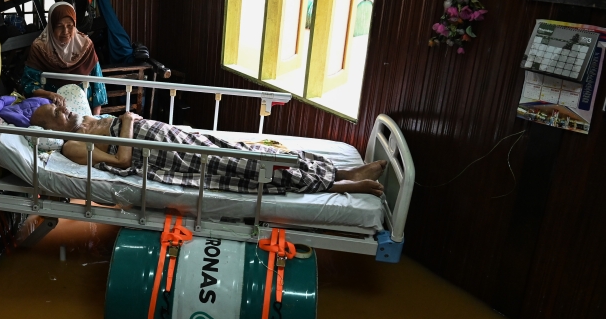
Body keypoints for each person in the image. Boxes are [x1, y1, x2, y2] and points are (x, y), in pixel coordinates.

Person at [30, 105, 386, 196]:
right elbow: (122, 160)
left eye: (60, 105)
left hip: (169, 135)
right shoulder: (74, 145)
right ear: (51, 129)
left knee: (241, 148)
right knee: (243, 167)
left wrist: (125, 121)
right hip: (159, 155)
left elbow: (127, 125)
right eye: (56, 113)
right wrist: (125, 120)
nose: (64, 109)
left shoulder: (85, 120)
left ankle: (341, 172)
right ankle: (340, 185)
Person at [18, 1, 107, 114]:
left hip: (84, 111)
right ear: (51, 26)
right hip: (52, 112)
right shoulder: (40, 47)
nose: (65, 32)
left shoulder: (85, 45)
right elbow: (28, 83)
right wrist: (49, 94)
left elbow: (97, 83)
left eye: (70, 26)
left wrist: (95, 118)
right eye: (59, 26)